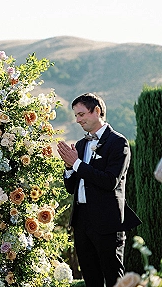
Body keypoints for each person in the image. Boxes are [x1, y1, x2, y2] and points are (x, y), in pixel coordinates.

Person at [57, 93, 141, 287]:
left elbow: (110, 181)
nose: (77, 120)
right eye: (76, 116)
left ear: (97, 111)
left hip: (108, 222)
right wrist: (69, 167)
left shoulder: (118, 143)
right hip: (82, 222)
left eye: (81, 114)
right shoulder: (80, 145)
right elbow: (71, 188)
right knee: (91, 278)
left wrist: (76, 163)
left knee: (114, 278)